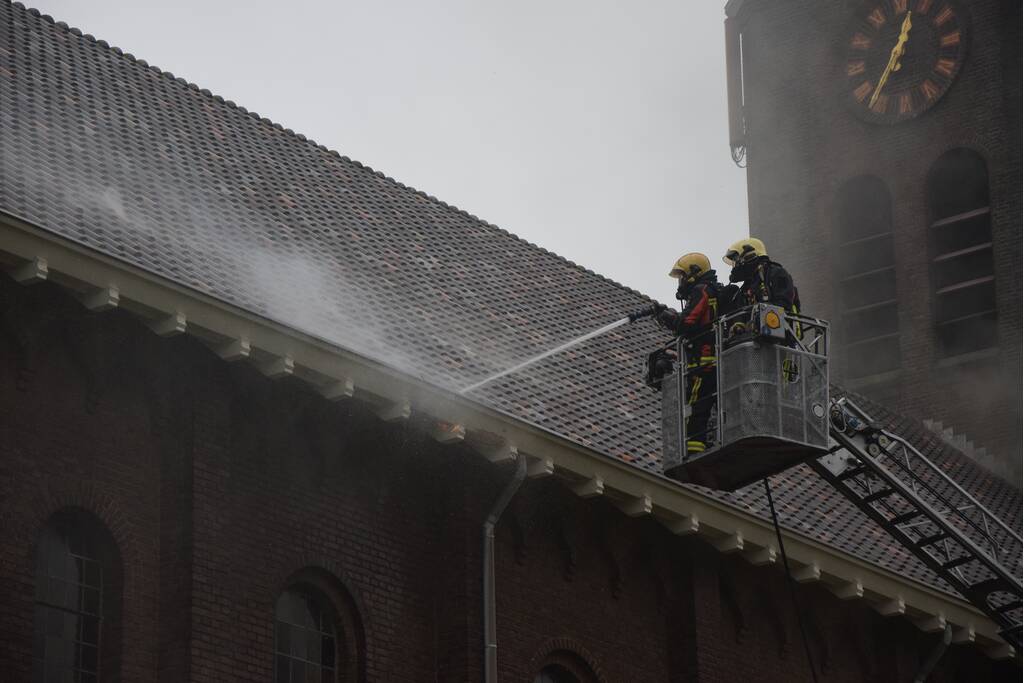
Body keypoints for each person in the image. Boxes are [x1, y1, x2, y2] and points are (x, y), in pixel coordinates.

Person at [654, 252, 725, 456]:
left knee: (695, 406)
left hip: (704, 362)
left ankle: (693, 449)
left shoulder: (701, 291)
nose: (680, 282)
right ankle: (700, 444)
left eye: (682, 276)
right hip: (711, 359)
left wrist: (669, 318)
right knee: (704, 405)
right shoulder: (712, 290)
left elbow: (688, 322)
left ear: (694, 272)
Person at [722, 237, 801, 380]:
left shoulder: (776, 273)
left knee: (775, 386)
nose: (735, 266)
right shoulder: (744, 290)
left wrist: (760, 319)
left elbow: (783, 305)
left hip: (778, 345)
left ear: (749, 256)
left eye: (736, 261)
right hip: (752, 349)